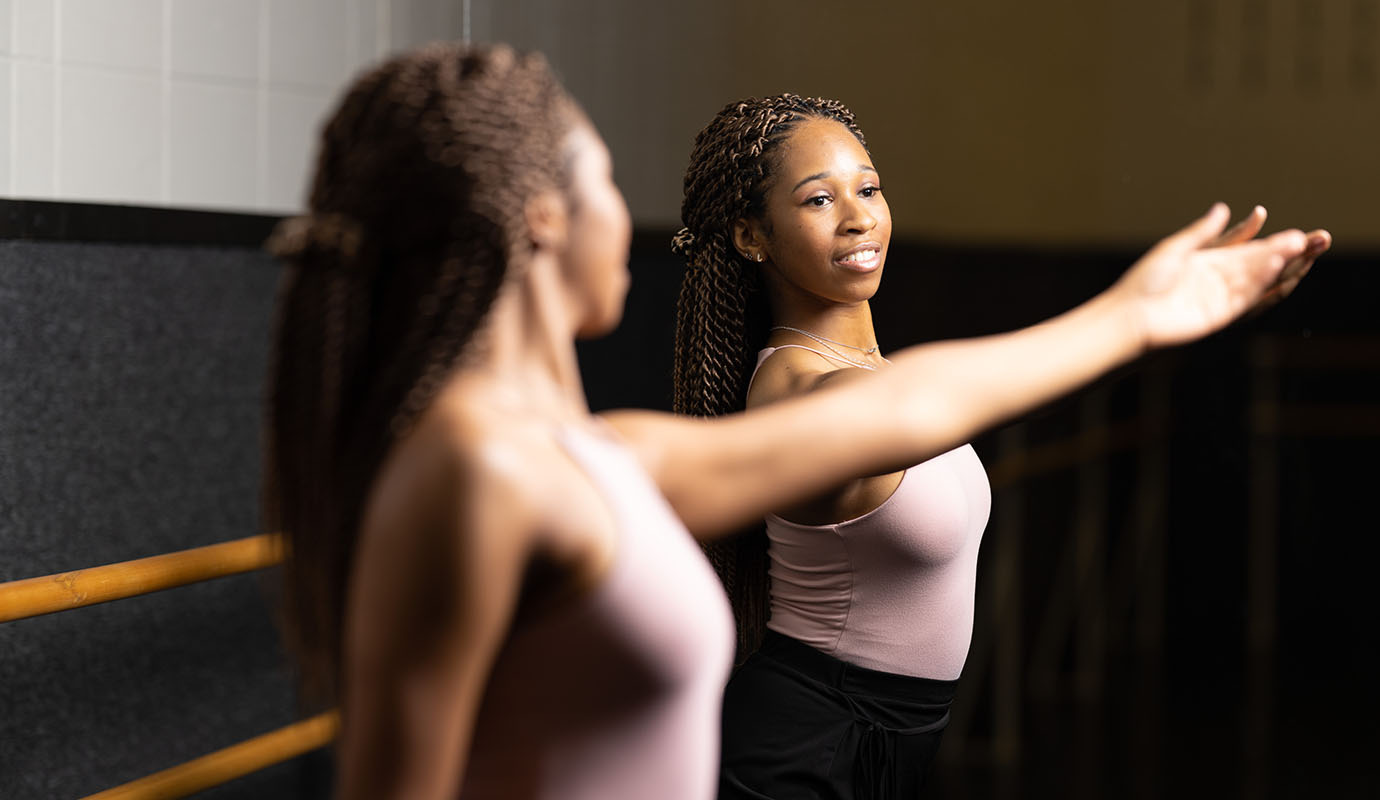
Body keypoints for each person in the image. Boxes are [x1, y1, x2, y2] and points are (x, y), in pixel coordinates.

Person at [264, 44, 1322, 800]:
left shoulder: (588, 458)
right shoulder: (480, 471)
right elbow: (904, 408)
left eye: (868, 188)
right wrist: (1136, 316)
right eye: (608, 179)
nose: (633, 214)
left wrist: (1141, 317)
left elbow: (909, 403)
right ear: (544, 219)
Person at [671, 93, 1331, 798]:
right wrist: (1134, 315)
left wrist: (1168, 324)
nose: (859, 216)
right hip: (803, 748)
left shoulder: (877, 375)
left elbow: (953, 399)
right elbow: (921, 404)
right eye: (818, 200)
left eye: (868, 188)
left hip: (891, 744)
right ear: (752, 236)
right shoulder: (793, 388)